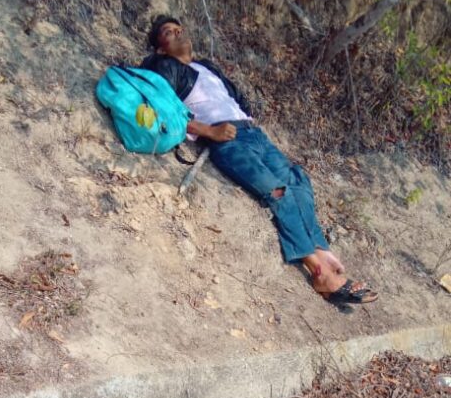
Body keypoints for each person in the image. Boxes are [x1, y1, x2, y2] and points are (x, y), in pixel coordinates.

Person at [142, 15, 377, 307]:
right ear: (160, 48)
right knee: (277, 191)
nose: (178, 33)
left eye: (179, 28)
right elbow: (162, 109)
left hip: (253, 134)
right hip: (227, 139)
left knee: (299, 182)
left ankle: (322, 250)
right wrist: (208, 131)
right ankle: (320, 272)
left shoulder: (206, 67)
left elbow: (236, 99)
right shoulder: (162, 66)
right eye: (168, 32)